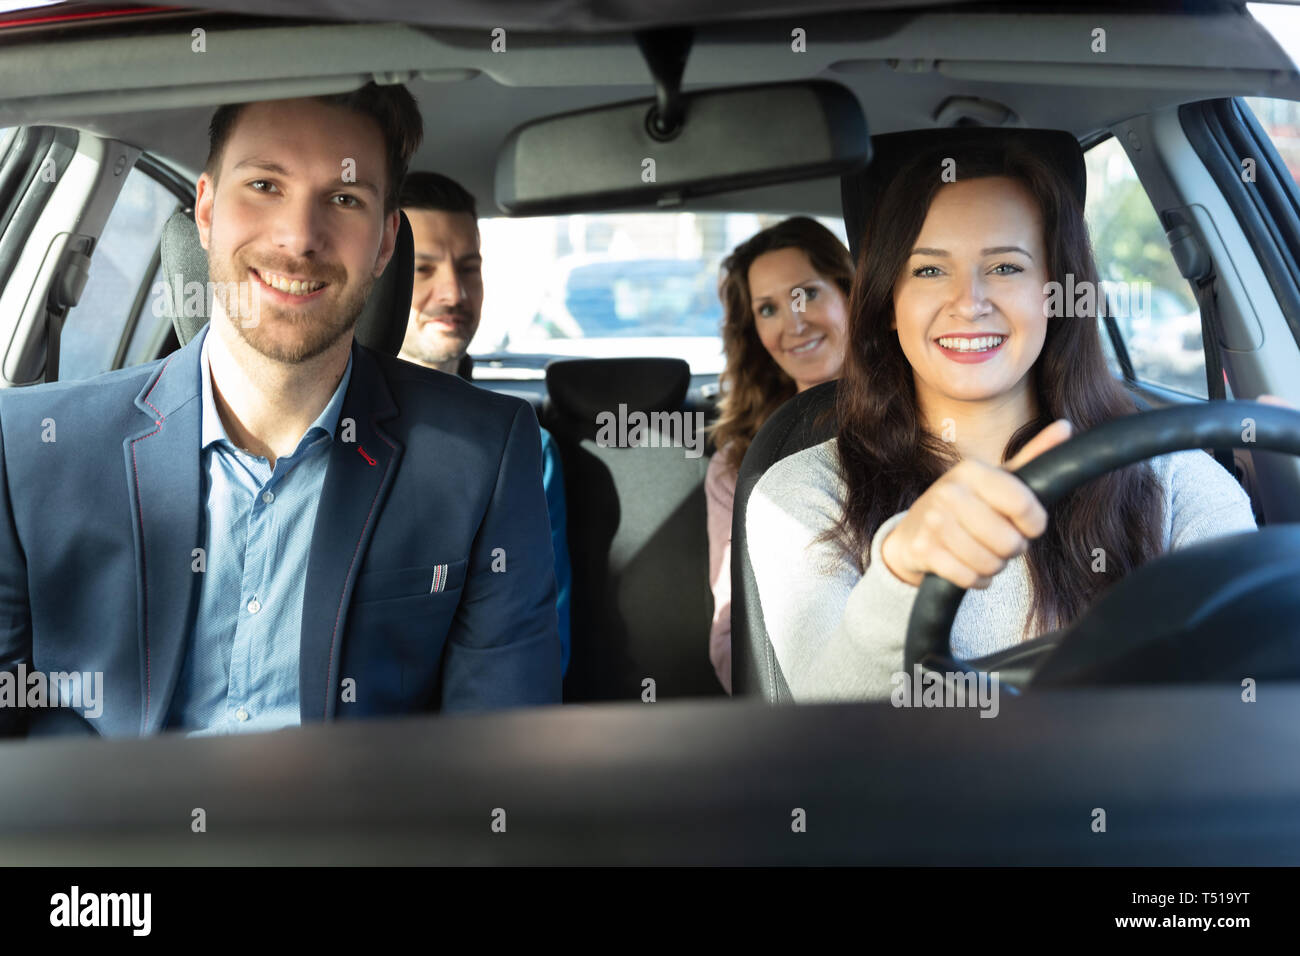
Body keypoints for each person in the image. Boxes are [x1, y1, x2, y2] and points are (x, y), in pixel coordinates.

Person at [0, 84, 562, 738]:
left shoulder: (483, 456)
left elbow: (498, 756)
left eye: (345, 199)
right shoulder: (29, 449)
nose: (299, 238)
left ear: (384, 244)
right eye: (265, 185)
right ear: (206, 210)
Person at [746, 141, 1266, 701]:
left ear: (1055, 293)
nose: (968, 302)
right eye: (928, 269)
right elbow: (826, 733)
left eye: (1004, 266)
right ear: (888, 306)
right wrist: (900, 577)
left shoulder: (1171, 476)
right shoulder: (804, 493)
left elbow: (1252, 685)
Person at [396, 171, 573, 676]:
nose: (453, 292)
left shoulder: (521, 447)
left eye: (468, 268)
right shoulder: (321, 424)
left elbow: (535, 645)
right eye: (423, 268)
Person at [706, 217, 853, 693]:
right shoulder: (738, 463)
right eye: (767, 309)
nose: (794, 323)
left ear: (850, 293)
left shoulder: (935, 417)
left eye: (807, 293)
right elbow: (731, 633)